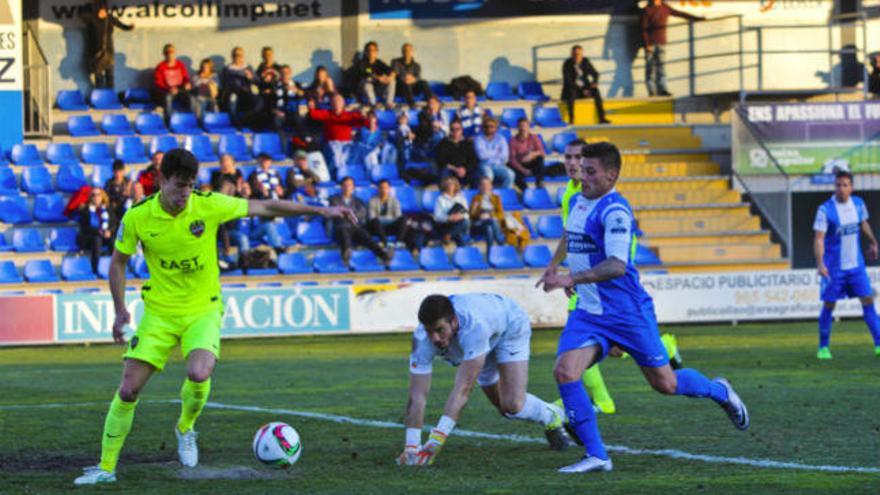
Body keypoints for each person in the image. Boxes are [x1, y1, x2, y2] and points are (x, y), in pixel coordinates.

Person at [73, 149, 355, 485]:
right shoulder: (138, 216)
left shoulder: (207, 204)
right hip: (159, 313)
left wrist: (321, 208)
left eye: (190, 186)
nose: (184, 194)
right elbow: (117, 262)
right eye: (179, 186)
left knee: (199, 370)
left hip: (202, 308)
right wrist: (120, 311)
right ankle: (106, 468)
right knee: (129, 389)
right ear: (161, 180)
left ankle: (185, 427)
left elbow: (264, 206)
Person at [536, 142, 748, 474]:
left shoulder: (616, 211)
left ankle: (718, 390)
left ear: (612, 175)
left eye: (590, 171)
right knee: (565, 371)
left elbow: (617, 265)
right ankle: (597, 455)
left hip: (626, 312)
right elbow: (569, 234)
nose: (582, 174)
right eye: (580, 167)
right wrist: (552, 266)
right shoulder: (578, 200)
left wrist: (570, 278)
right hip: (589, 313)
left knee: (666, 384)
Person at [397, 293, 571, 467]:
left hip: (509, 327)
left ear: (454, 321)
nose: (434, 338)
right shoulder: (421, 340)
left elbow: (463, 389)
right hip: (481, 340)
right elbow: (417, 396)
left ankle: (553, 415)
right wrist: (411, 447)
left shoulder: (474, 327)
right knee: (505, 410)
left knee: (513, 404)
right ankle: (552, 414)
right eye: (429, 331)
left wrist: (437, 440)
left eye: (439, 330)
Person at [813, 169, 880, 359]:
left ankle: (879, 343)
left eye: (845, 185)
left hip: (856, 266)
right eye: (838, 185)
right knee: (829, 305)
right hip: (834, 268)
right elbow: (818, 238)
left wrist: (873, 242)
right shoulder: (825, 209)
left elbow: (863, 223)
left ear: (851, 187)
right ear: (834, 187)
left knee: (868, 300)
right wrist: (820, 263)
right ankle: (823, 347)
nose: (841, 189)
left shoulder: (858, 204)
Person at [641, 0, 705, 97]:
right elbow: (643, 29)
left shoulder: (665, 7)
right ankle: (651, 91)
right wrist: (647, 45)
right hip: (650, 43)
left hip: (661, 42)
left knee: (661, 68)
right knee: (650, 68)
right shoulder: (647, 10)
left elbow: (680, 14)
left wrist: (697, 18)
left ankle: (662, 90)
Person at [329, 177, 391, 264]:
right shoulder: (333, 199)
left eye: (349, 185)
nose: (347, 187)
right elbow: (335, 212)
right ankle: (346, 254)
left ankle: (384, 255)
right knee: (343, 233)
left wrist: (346, 214)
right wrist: (351, 214)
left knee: (367, 237)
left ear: (353, 188)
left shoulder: (358, 201)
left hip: (355, 227)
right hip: (341, 227)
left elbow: (361, 214)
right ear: (341, 187)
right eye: (345, 185)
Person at [308, 94, 368, 176]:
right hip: (331, 145)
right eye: (334, 101)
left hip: (346, 145)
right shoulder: (327, 114)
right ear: (331, 104)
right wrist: (311, 106)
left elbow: (365, 123)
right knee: (333, 155)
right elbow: (313, 114)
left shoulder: (350, 116)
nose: (337, 103)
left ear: (343, 103)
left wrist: (364, 115)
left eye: (339, 101)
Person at [80, 0, 133, 89]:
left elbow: (120, 24)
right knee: (99, 77)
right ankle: (100, 96)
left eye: (104, 10)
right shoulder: (92, 19)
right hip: (96, 52)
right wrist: (91, 8)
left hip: (109, 51)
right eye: (101, 10)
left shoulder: (109, 18)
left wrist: (128, 27)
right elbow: (82, 15)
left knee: (110, 76)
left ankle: (110, 96)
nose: (103, 12)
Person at [562, 45, 610, 124]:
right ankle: (571, 120)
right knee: (571, 92)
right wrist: (582, 90)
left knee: (596, 91)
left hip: (585, 89)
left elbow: (595, 73)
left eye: (579, 54)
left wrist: (594, 82)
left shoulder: (585, 61)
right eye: (575, 54)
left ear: (582, 55)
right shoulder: (567, 64)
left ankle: (602, 118)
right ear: (571, 54)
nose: (577, 57)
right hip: (573, 89)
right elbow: (568, 81)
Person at [153, 44, 196, 120]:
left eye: (172, 52)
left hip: (180, 90)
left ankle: (191, 120)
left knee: (191, 98)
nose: (170, 54)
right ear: (164, 54)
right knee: (167, 98)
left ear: (175, 53)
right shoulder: (160, 67)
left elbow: (185, 78)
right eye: (167, 52)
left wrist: (187, 84)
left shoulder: (180, 65)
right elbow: (158, 83)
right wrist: (168, 89)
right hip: (167, 91)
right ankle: (169, 121)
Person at [221, 46, 262, 126]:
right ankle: (235, 123)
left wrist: (251, 77)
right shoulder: (227, 69)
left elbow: (257, 82)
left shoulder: (248, 67)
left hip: (246, 92)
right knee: (232, 100)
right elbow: (223, 83)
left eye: (240, 55)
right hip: (233, 92)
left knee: (259, 101)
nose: (237, 57)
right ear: (232, 56)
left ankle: (246, 121)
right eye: (235, 55)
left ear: (243, 56)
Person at [77, 187, 114, 272]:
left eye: (98, 195)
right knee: (97, 240)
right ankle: (95, 268)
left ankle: (116, 267)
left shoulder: (108, 209)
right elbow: (84, 227)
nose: (96, 197)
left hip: (105, 236)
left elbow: (113, 223)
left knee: (114, 241)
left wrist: (110, 231)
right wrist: (98, 231)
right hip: (90, 237)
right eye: (93, 195)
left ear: (102, 196)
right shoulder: (86, 210)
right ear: (90, 197)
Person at [435, 120, 478, 188]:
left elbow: (473, 160)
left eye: (457, 129)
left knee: (477, 174)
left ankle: (475, 196)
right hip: (451, 170)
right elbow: (441, 161)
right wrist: (455, 169)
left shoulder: (468, 143)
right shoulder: (443, 143)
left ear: (461, 130)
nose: (455, 131)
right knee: (444, 173)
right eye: (452, 129)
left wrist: (465, 169)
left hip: (465, 170)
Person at [474, 117, 513, 189]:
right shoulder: (478, 139)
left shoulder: (501, 139)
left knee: (510, 174)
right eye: (486, 126)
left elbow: (505, 156)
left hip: (498, 165)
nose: (489, 128)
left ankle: (503, 195)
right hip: (484, 165)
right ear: (483, 128)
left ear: (496, 128)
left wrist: (488, 153)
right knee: (488, 174)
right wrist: (496, 152)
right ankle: (487, 196)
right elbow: (481, 156)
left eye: (491, 126)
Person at [354, 41, 396, 108]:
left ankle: (388, 103)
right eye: (369, 50)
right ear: (366, 52)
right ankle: (373, 104)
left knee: (392, 80)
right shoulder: (361, 63)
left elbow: (390, 70)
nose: (371, 52)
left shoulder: (379, 63)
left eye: (374, 50)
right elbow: (367, 71)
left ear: (376, 51)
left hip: (377, 89)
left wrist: (392, 75)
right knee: (367, 80)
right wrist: (378, 77)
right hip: (364, 90)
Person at [508, 117, 546, 190]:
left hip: (531, 163)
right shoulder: (513, 140)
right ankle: (526, 190)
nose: (523, 128)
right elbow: (512, 159)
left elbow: (542, 152)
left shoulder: (534, 137)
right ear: (518, 128)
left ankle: (540, 182)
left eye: (525, 126)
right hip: (519, 165)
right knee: (511, 169)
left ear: (528, 127)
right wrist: (523, 170)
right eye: (521, 126)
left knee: (540, 158)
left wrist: (532, 154)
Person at [391, 43, 433, 107]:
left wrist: (413, 79)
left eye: (409, 50)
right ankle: (412, 105)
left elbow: (418, 77)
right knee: (406, 83)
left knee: (423, 82)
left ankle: (430, 101)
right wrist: (405, 78)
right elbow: (395, 74)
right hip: (401, 88)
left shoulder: (417, 65)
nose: (406, 52)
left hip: (412, 88)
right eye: (404, 51)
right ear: (402, 52)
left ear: (412, 52)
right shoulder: (396, 62)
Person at [469, 177, 505, 250]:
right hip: (479, 223)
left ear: (491, 186)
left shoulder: (496, 198)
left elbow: (501, 214)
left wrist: (489, 216)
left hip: (491, 223)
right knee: (490, 223)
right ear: (479, 187)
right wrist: (476, 211)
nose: (485, 186)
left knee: (489, 228)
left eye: (487, 184)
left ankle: (489, 254)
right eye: (482, 184)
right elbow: (471, 215)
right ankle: (499, 240)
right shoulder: (476, 198)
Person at [368, 179, 406, 248]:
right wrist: (388, 218)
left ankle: (399, 242)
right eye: (381, 187)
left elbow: (398, 215)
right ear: (378, 189)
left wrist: (385, 219)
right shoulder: (372, 201)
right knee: (375, 221)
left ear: (389, 189)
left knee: (403, 219)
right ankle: (385, 242)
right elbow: (372, 217)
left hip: (390, 226)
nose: (383, 190)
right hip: (378, 227)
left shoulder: (395, 200)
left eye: (385, 188)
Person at [433, 176, 470, 246]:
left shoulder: (461, 198)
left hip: (459, 223)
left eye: (452, 183)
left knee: (464, 221)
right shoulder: (440, 199)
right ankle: (461, 248)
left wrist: (460, 216)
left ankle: (448, 236)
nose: (450, 185)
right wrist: (449, 218)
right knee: (459, 233)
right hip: (446, 224)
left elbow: (467, 214)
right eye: (448, 183)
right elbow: (437, 217)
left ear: (455, 185)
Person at [270, 64, 305, 132]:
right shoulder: (275, 86)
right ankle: (283, 141)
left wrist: (296, 90)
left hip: (294, 113)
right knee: (276, 120)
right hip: (280, 112)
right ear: (280, 74)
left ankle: (303, 140)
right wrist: (276, 111)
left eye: (287, 73)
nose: (285, 75)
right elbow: (271, 103)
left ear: (290, 74)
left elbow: (304, 95)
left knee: (300, 119)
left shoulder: (297, 84)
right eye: (282, 73)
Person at [103, 159, 132, 233]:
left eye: (120, 171)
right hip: (112, 209)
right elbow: (105, 197)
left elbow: (131, 197)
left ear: (123, 171)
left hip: (124, 208)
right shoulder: (109, 183)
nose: (118, 174)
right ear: (113, 172)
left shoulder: (128, 183)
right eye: (116, 171)